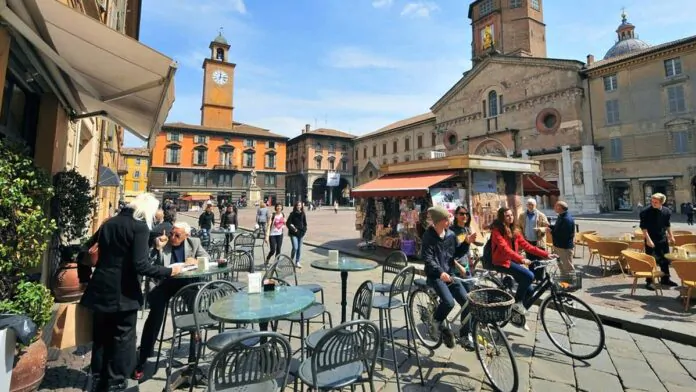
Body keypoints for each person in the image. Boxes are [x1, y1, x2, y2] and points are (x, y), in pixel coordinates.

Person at [80, 193, 182, 391]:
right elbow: (141, 265)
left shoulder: (108, 223)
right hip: (123, 293)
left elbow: (84, 251)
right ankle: (116, 383)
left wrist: (85, 279)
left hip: (100, 288)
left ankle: (98, 380)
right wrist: (170, 270)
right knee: (123, 339)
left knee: (101, 337)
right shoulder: (140, 226)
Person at [134, 221, 210, 380]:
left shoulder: (193, 242)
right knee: (155, 317)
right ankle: (142, 358)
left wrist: (195, 261)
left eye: (177, 235)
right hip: (167, 283)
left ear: (186, 235)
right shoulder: (164, 243)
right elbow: (148, 264)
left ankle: (192, 357)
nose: (173, 237)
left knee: (195, 310)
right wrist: (157, 248)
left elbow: (206, 258)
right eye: (172, 234)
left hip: (188, 283)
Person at [421, 206, 472, 349]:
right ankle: (436, 322)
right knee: (449, 302)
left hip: (450, 274)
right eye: (446, 218)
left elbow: (457, 253)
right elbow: (427, 258)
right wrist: (439, 272)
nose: (449, 220)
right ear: (439, 221)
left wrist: (466, 243)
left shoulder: (450, 235)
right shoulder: (428, 236)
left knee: (467, 302)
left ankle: (463, 336)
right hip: (435, 276)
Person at [490, 207, 550, 325]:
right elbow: (505, 249)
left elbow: (528, 246)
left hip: (513, 261)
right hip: (501, 262)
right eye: (507, 216)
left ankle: (516, 315)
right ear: (502, 217)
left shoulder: (515, 231)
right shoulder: (497, 231)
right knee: (529, 275)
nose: (510, 217)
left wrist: (546, 254)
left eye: (511, 215)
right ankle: (517, 303)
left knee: (530, 290)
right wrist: (521, 259)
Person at [639, 193, 677, 290]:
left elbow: (667, 225)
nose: (653, 203)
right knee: (651, 260)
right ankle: (649, 281)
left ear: (662, 202)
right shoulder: (645, 212)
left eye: (656, 202)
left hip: (662, 238)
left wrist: (671, 236)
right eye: (652, 201)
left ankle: (665, 279)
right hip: (650, 238)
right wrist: (648, 240)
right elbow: (643, 228)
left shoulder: (667, 211)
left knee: (665, 259)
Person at [548, 201, 575, 275]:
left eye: (556, 206)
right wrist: (550, 226)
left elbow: (564, 235)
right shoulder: (561, 215)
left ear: (560, 208)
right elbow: (558, 228)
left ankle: (571, 285)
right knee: (561, 266)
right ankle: (564, 283)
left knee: (568, 268)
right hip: (558, 246)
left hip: (564, 248)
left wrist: (551, 232)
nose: (554, 207)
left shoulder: (567, 219)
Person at [287, 201, 307, 268]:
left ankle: (297, 261)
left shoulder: (303, 214)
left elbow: (305, 224)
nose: (299, 206)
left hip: (301, 233)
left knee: (299, 248)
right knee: (295, 247)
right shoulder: (292, 214)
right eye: (298, 205)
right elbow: (288, 223)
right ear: (295, 206)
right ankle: (291, 260)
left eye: (300, 205)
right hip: (293, 233)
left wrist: (304, 230)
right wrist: (293, 229)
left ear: (301, 206)